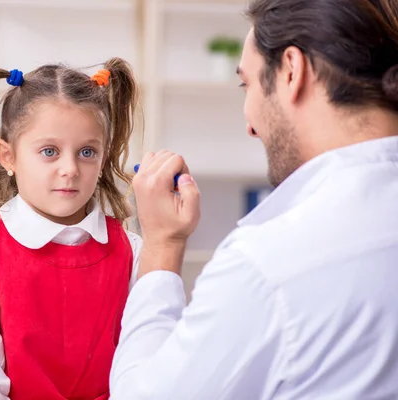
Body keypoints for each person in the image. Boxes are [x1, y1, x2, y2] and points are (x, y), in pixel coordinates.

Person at [109, 0, 398, 398]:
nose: (249, 124)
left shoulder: (269, 265)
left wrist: (161, 246)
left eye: (247, 84)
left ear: (292, 71)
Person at [0, 58, 143, 400]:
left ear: (104, 156)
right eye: (49, 151)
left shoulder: (134, 252)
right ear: (8, 157)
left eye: (86, 152)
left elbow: (144, 362)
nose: (70, 169)